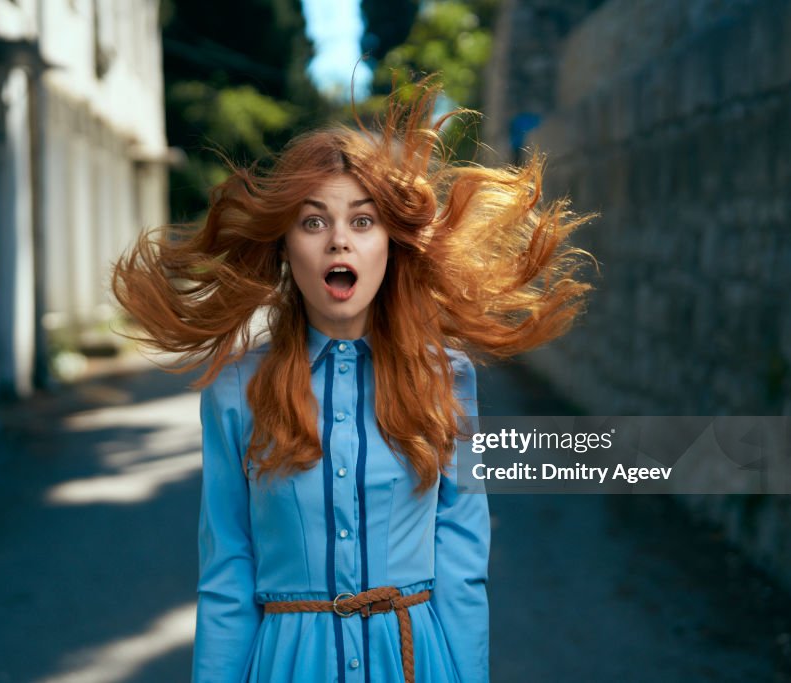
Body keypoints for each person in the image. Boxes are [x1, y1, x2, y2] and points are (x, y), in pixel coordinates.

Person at [111, 80, 593, 683]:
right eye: (313, 223)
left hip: (416, 665)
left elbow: (464, 566)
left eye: (362, 221)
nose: (339, 238)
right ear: (286, 248)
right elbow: (227, 575)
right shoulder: (235, 392)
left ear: (390, 245)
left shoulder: (445, 378)